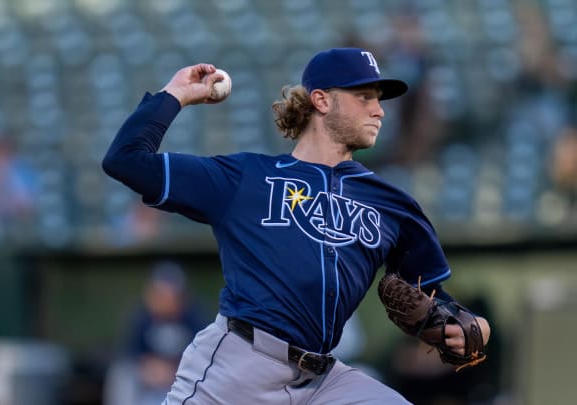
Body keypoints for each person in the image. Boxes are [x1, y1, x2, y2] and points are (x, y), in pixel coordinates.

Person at [102, 47, 491, 404]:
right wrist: (175, 94)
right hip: (240, 367)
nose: (380, 111)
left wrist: (467, 325)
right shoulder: (246, 179)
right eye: (364, 97)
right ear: (321, 99)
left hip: (324, 381)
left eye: (379, 99)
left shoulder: (392, 205)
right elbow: (126, 160)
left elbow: (429, 294)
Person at [103, 261, 208, 405]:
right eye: (160, 293)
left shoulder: (194, 317)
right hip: (147, 384)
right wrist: (148, 369)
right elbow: (128, 354)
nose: (164, 299)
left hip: (181, 381)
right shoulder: (140, 317)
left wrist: (173, 370)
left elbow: (204, 358)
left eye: (170, 294)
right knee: (121, 374)